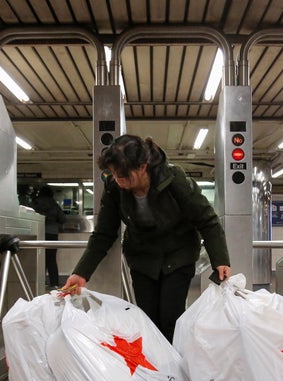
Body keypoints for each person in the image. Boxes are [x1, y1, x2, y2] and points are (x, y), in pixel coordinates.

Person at [61, 134, 231, 341]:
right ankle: (155, 369)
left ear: (142, 166)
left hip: (178, 255)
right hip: (143, 258)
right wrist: (81, 273)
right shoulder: (115, 189)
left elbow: (207, 219)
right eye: (114, 174)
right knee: (147, 320)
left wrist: (220, 259)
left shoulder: (173, 179)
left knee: (171, 318)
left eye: (123, 176)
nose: (118, 181)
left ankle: (173, 369)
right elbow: (103, 234)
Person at [32, 185, 66, 289]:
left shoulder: (35, 203)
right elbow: (62, 219)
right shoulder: (54, 204)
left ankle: (41, 282)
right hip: (52, 233)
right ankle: (54, 283)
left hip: (39, 233)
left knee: (40, 258)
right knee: (51, 259)